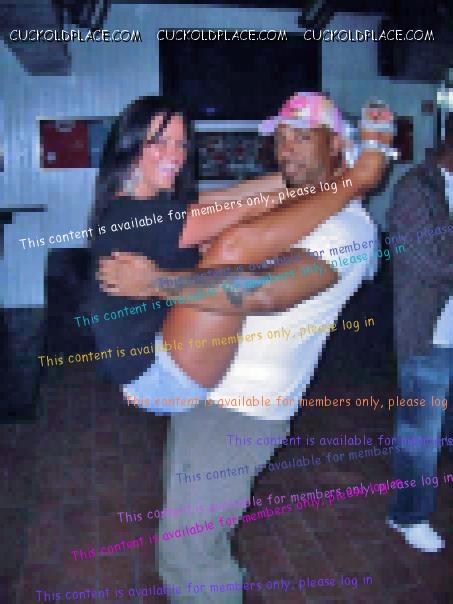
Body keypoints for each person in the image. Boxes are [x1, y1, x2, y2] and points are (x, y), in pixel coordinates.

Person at [98, 92, 394, 602]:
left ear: (337, 146)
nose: (286, 149)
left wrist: (157, 284)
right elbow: (234, 207)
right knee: (189, 539)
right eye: (280, 138)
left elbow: (265, 292)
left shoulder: (347, 227)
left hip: (240, 410)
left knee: (190, 555)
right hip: (208, 389)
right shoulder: (298, 206)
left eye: (302, 136)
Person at [385, 113, 453, 553]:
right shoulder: (416, 187)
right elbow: (427, 262)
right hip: (431, 336)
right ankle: (407, 516)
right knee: (420, 436)